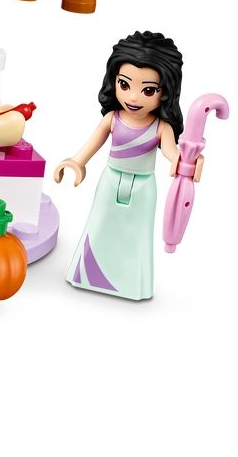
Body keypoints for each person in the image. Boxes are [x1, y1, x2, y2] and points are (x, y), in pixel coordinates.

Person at [53, 31, 200, 300]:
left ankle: (132, 285)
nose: (133, 97)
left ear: (166, 91)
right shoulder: (112, 118)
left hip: (143, 187)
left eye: (148, 90)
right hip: (110, 180)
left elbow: (170, 151)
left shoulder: (161, 126)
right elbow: (93, 143)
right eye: (124, 84)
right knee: (99, 224)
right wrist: (77, 162)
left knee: (137, 234)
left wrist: (186, 160)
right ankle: (87, 275)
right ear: (114, 81)